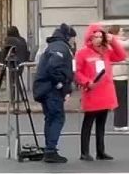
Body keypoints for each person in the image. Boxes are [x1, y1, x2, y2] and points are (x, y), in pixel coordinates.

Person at [75, 23, 127, 161]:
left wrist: (113, 41)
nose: (98, 39)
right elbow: (78, 73)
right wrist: (87, 82)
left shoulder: (106, 51)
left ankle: (100, 151)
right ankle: (84, 152)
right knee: (88, 123)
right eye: (95, 36)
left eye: (100, 36)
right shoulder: (82, 53)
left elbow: (121, 56)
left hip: (105, 92)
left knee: (101, 124)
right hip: (92, 92)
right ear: (90, 38)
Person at [32, 23, 75, 164]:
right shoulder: (60, 47)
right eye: (73, 39)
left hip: (45, 87)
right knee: (57, 117)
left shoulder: (54, 45)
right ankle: (51, 150)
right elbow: (53, 67)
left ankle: (49, 149)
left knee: (50, 118)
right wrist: (60, 83)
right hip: (51, 89)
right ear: (68, 37)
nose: (74, 42)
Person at [108, 25, 129, 131]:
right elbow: (125, 44)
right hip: (118, 75)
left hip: (121, 75)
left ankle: (121, 123)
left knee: (122, 100)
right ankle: (120, 124)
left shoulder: (115, 41)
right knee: (121, 101)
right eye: (121, 31)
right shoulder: (114, 41)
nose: (123, 33)